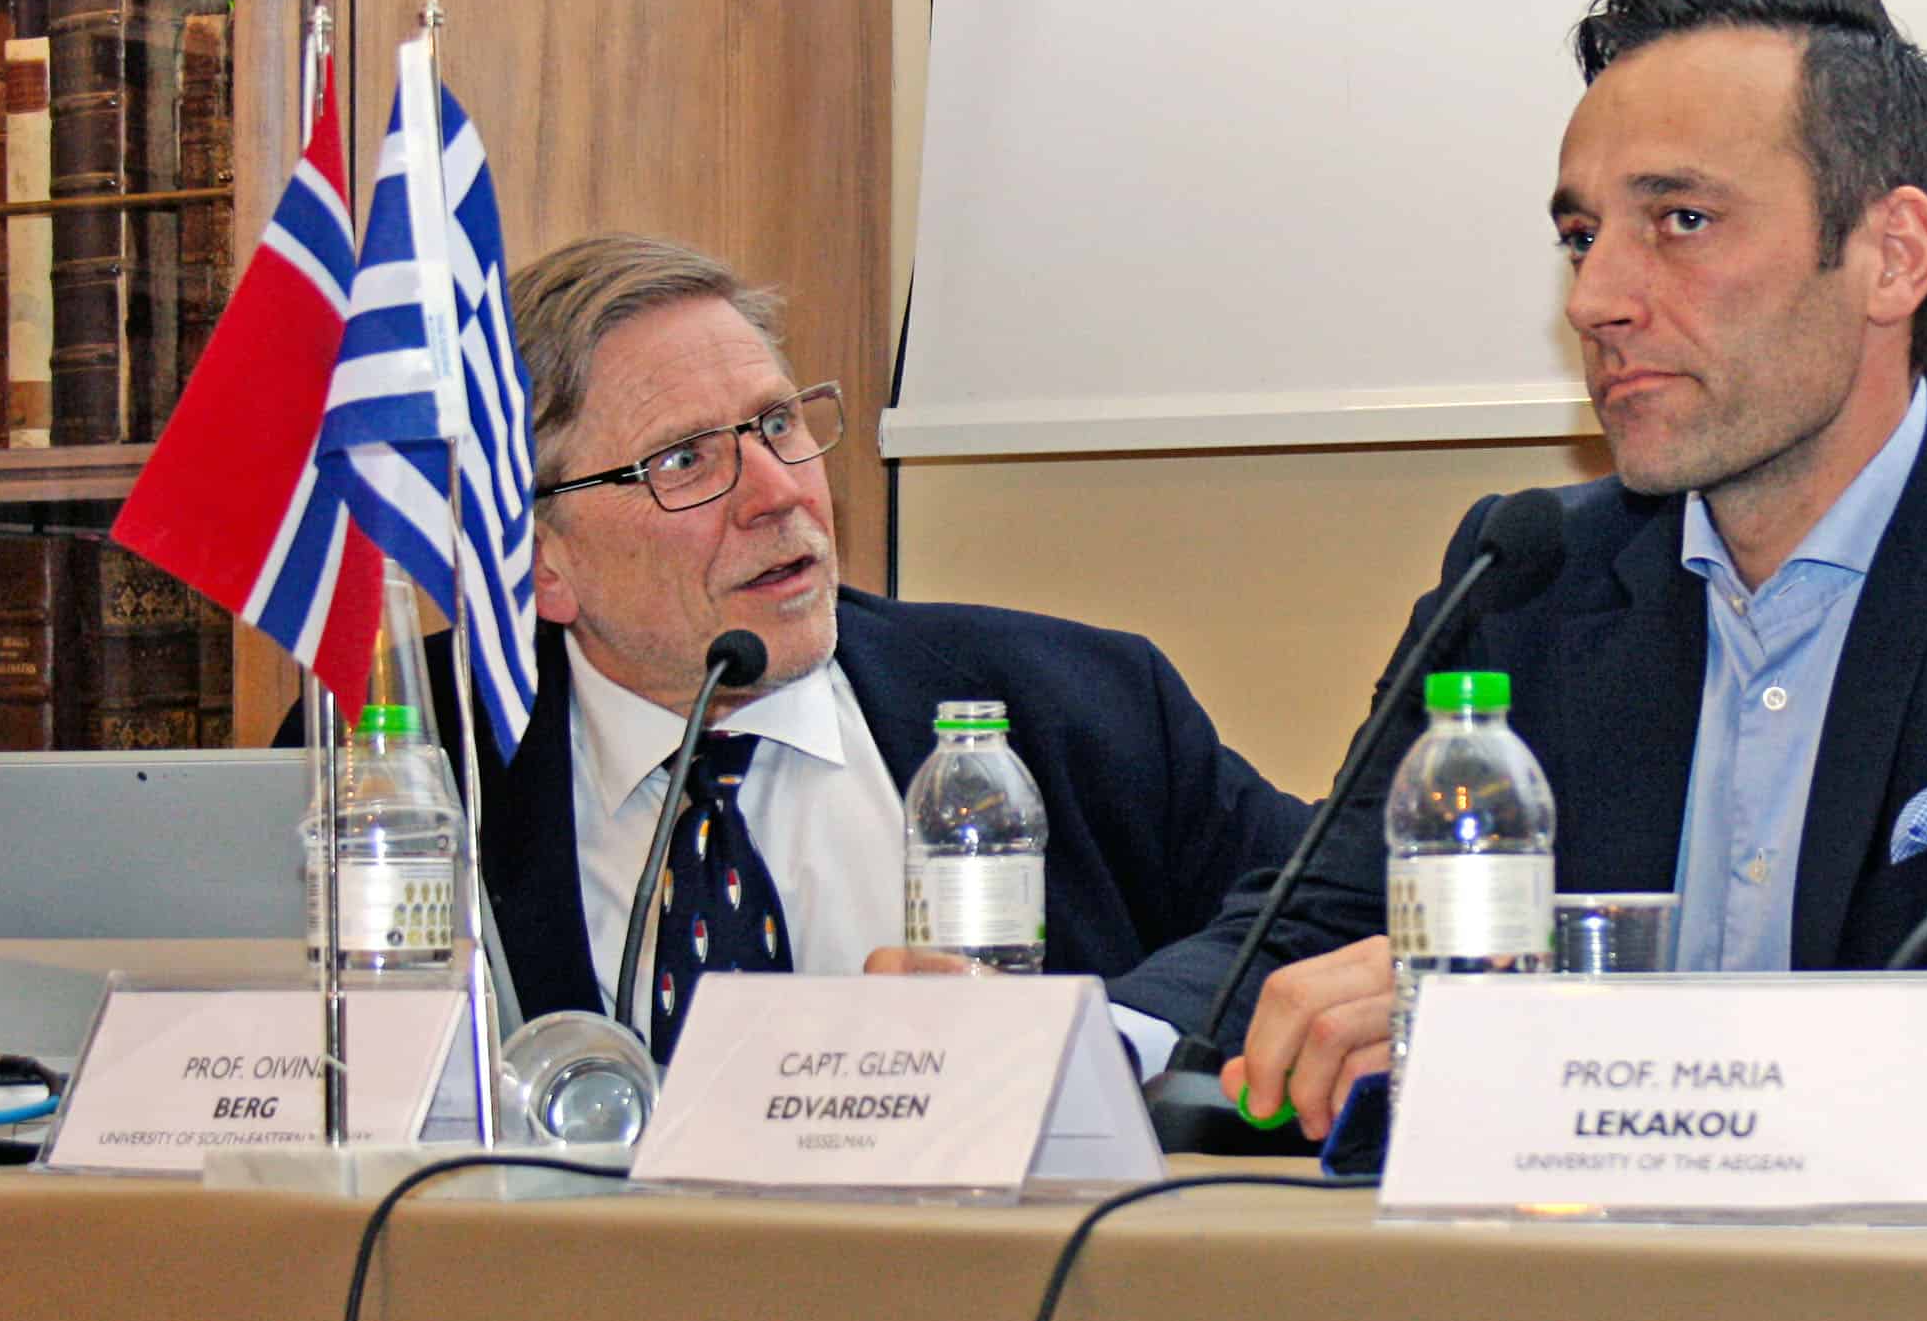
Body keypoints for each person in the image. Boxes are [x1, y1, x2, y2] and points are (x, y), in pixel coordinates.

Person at [1109, 0, 1927, 1135]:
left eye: (1681, 221)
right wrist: (1085, 1054)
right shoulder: (1527, 578)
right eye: (1579, 235)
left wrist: (1551, 1031)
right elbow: (1317, 917)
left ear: (1893, 255)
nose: (1594, 298)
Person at [449, 234, 1307, 1065]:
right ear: (539, 560)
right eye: (683, 461)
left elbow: (1325, 911)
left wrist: (1102, 1042)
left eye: (778, 423)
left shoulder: (1081, 705)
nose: (779, 491)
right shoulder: (423, 764)